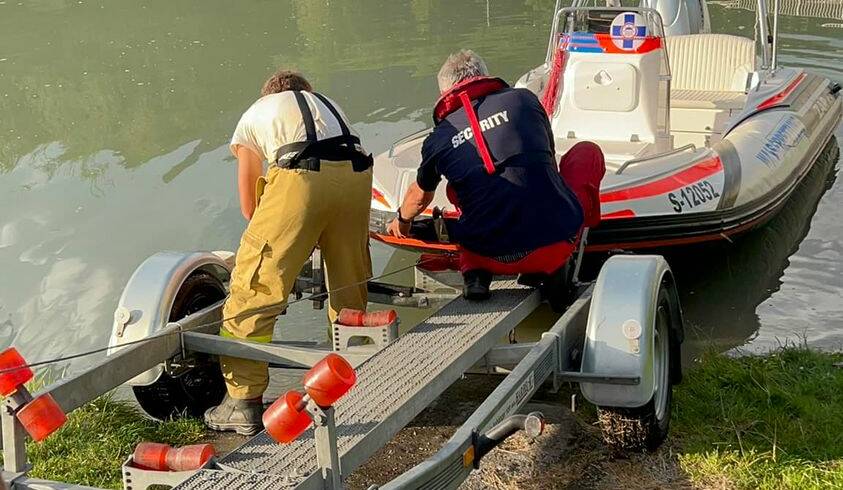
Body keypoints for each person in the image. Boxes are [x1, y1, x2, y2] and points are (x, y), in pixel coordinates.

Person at [204, 70, 373, 435]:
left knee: (254, 287)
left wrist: (286, 239)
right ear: (306, 92)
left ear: (267, 95)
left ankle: (242, 402)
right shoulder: (327, 106)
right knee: (349, 280)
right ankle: (347, 373)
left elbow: (250, 206)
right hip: (358, 175)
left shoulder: (256, 114)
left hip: (301, 175)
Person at [386, 50, 605, 303]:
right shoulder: (524, 100)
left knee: (457, 189)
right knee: (587, 153)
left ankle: (475, 275)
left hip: (484, 254)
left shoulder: (439, 137)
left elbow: (419, 197)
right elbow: (548, 161)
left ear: (445, 93)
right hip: (551, 246)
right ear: (484, 76)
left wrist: (401, 223)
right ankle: (564, 258)